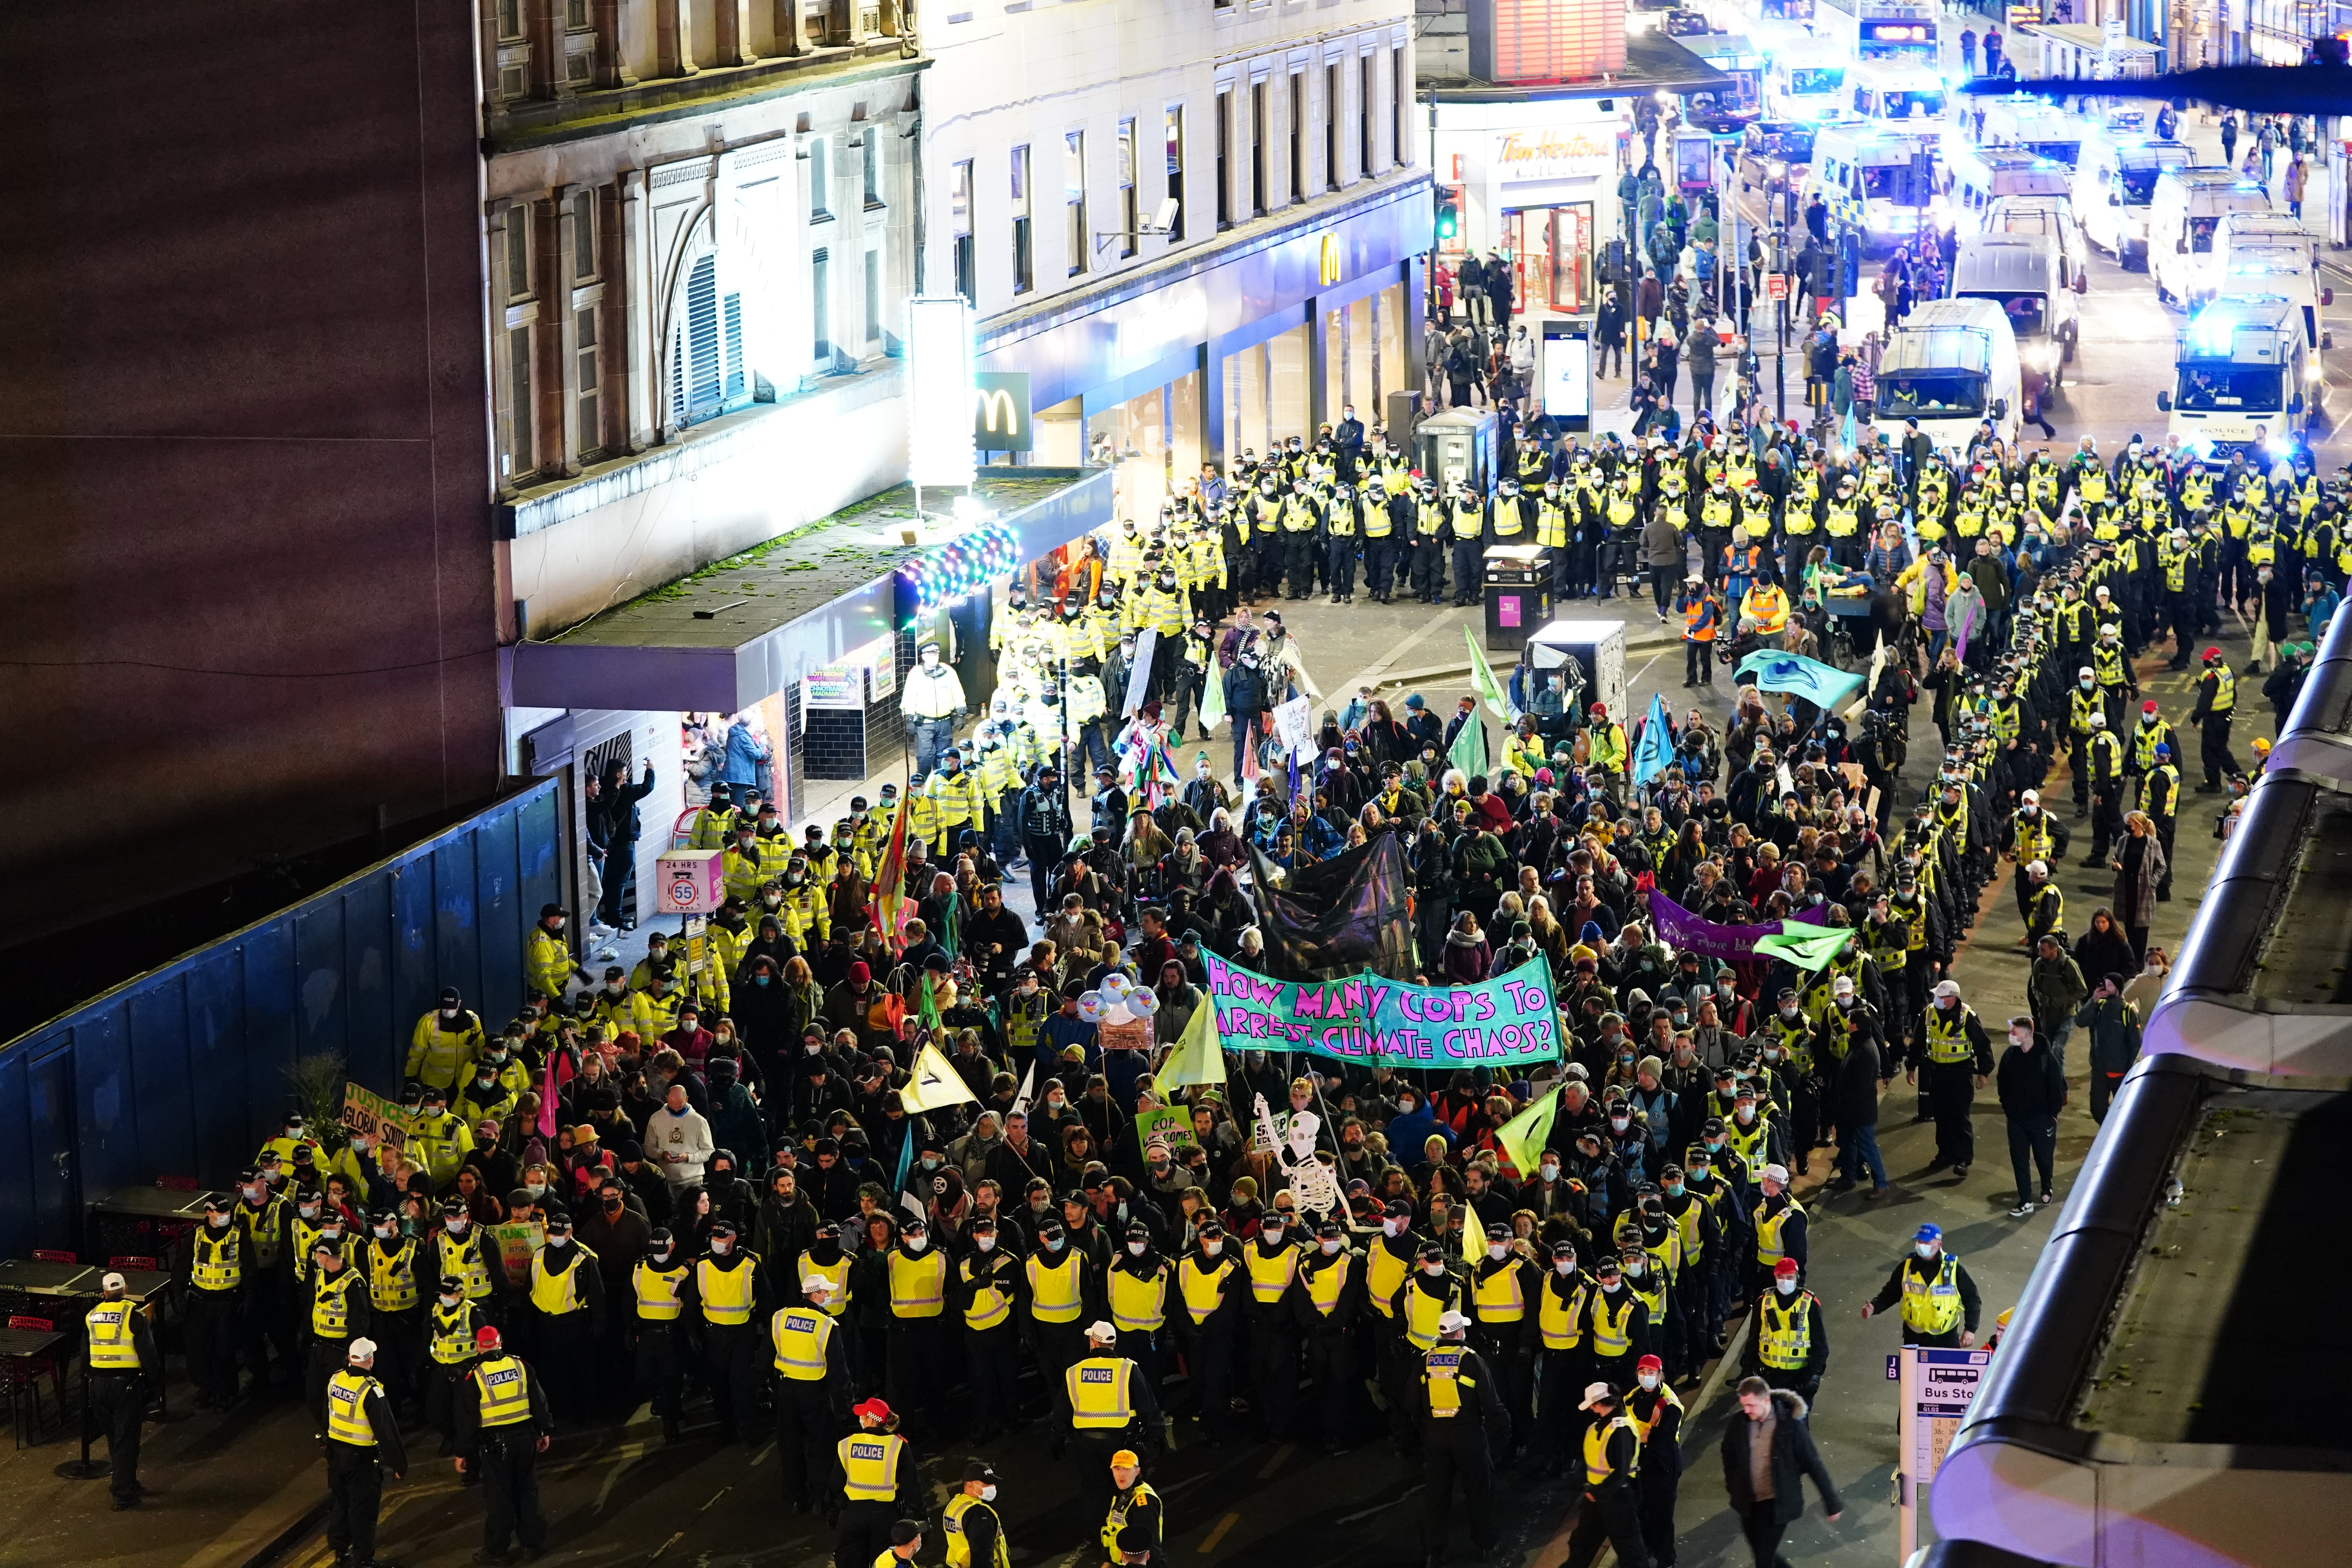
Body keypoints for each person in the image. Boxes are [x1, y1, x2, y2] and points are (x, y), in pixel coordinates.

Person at [1719, 1377, 1842, 1568]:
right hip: (1749, 1503)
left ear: (1766, 1400)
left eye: (1751, 1405)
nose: (1746, 1410)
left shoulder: (1791, 1428)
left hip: (1777, 1503)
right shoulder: (1739, 1423)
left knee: (1763, 1559)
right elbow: (1728, 1453)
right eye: (1744, 1405)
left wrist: (1832, 1503)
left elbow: (1813, 1464)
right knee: (1764, 1553)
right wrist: (1733, 1485)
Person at [455, 1325, 553, 1562]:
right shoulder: (521, 1366)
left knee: (499, 1498)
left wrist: (463, 1453)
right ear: (500, 1343)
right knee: (528, 1491)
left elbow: (468, 1419)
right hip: (526, 1438)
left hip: (496, 1445)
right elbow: (539, 1401)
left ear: (478, 1347)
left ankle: (497, 1550)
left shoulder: (474, 1376)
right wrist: (545, 1431)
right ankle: (533, 1544)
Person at [1418, 1310, 1506, 1566]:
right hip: (1468, 1435)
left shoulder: (1425, 1359)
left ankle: (1434, 1551)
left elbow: (1411, 1401)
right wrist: (1504, 1430)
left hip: (1435, 1436)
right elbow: (1491, 1402)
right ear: (1460, 1332)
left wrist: (1424, 1430)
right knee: (1478, 1491)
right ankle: (1485, 1545)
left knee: (1437, 1495)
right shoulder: (1472, 1360)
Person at [772, 1274, 854, 1513]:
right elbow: (839, 1370)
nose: (829, 1297)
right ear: (816, 1294)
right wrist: (845, 1403)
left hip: (786, 1391)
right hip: (815, 1394)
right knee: (820, 1446)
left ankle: (796, 1498)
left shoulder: (780, 1317)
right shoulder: (826, 1324)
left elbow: (768, 1352)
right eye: (826, 1293)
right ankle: (820, 1498)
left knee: (790, 1445)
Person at [324, 1338, 408, 1568]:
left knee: (341, 1504)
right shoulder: (371, 1391)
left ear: (350, 1358)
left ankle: (341, 1552)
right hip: (361, 1460)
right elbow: (386, 1432)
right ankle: (364, 1560)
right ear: (370, 1359)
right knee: (363, 1510)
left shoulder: (336, 1380)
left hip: (336, 1455)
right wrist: (399, 1465)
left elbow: (326, 1415)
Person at [84, 1271, 160, 1510]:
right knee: (126, 1441)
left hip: (98, 1386)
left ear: (104, 1293)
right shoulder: (135, 1317)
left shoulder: (91, 1316)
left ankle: (128, 1482)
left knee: (115, 1439)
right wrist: (156, 1384)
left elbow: (84, 1356)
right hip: (125, 1387)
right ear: (125, 1289)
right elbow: (149, 1355)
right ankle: (123, 1493)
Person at [1562, 1382, 1650, 1568]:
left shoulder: (1620, 1429)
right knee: (1582, 1541)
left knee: (1629, 1548)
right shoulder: (1601, 1426)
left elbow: (1621, 1471)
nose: (1592, 1409)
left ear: (1600, 1403)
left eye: (1593, 1405)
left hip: (1618, 1498)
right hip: (1599, 1496)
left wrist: (1598, 1493)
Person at [1911, 980, 1993, 1177]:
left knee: (1960, 1116)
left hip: (1961, 1073)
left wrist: (1984, 1073)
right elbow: (1918, 1041)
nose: (1936, 1000)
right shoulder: (1928, 1013)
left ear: (1951, 999)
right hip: (1937, 1072)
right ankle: (1945, 1154)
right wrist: (1910, 1067)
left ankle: (1963, 1158)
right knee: (1941, 1115)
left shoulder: (1967, 1017)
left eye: (1940, 997)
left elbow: (1983, 1045)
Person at [1862, 1223, 1982, 1347]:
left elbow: (1972, 1299)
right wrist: (1874, 1307)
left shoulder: (1953, 1269)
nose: (1921, 1245)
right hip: (1914, 1337)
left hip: (1946, 1337)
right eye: (1919, 1241)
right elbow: (1891, 1293)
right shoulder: (1906, 1267)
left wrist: (1970, 1329)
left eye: (1926, 1243)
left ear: (1939, 1245)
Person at [835, 1397, 918, 1568]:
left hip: (853, 1515)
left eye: (863, 1416)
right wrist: (922, 1516)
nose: (861, 1419)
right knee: (883, 1563)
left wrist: (833, 1509)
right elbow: (911, 1486)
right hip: (886, 1516)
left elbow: (835, 1482)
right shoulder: (898, 1445)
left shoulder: (848, 1444)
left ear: (872, 1419)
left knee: (850, 1561)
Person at [1996, 1014, 2065, 1217]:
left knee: (2044, 1158)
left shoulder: (2046, 1058)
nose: (2010, 1035)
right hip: (2016, 1120)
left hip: (2041, 1119)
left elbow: (2056, 1088)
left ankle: (2046, 1185)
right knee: (2020, 1160)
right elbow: (2003, 1083)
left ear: (2027, 1034)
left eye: (2014, 1031)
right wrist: (2007, 1106)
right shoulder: (2010, 1056)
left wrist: (2052, 1115)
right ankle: (2025, 1200)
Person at [1745, 1258, 1828, 1414]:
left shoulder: (1810, 1304)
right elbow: (1753, 1339)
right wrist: (1749, 1369)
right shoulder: (1763, 1302)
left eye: (1790, 1277)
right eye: (1781, 1277)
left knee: (1797, 1429)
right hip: (1768, 1377)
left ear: (1797, 1278)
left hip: (1798, 1379)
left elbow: (1821, 1347)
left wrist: (1814, 1376)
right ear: (1775, 1277)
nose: (1785, 1281)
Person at [1624, 1356, 1684, 1568]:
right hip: (1642, 1460)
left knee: (1662, 1515)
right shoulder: (1632, 1397)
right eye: (1643, 1372)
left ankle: (1666, 1559)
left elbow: (1664, 1438)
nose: (1646, 1377)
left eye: (1651, 1373)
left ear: (1660, 1375)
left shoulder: (1669, 1403)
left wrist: (1646, 1438)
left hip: (1664, 1463)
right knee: (1642, 1509)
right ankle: (1649, 1546)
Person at [2076, 972, 2144, 1123]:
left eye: (2110, 985)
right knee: (2097, 1109)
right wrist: (2093, 1000)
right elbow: (2080, 1022)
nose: (2106, 987)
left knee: (2124, 1110)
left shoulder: (2128, 1012)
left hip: (2121, 1073)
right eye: (2104, 983)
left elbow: (2135, 1045)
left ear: (2119, 990)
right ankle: (2107, 1130)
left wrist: (2131, 1072)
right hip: (2100, 1070)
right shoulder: (2099, 1006)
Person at [943, 1461, 1009, 1568]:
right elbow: (983, 1559)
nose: (992, 1487)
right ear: (970, 1485)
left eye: (992, 1483)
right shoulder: (978, 1515)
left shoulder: (955, 1505)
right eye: (986, 1484)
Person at [1103, 1449, 1164, 1565]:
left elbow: (1150, 1547)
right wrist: (1109, 1562)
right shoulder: (1122, 1492)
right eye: (1117, 1469)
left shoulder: (1143, 1504)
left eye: (1127, 1469)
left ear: (1137, 1471)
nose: (1121, 1474)